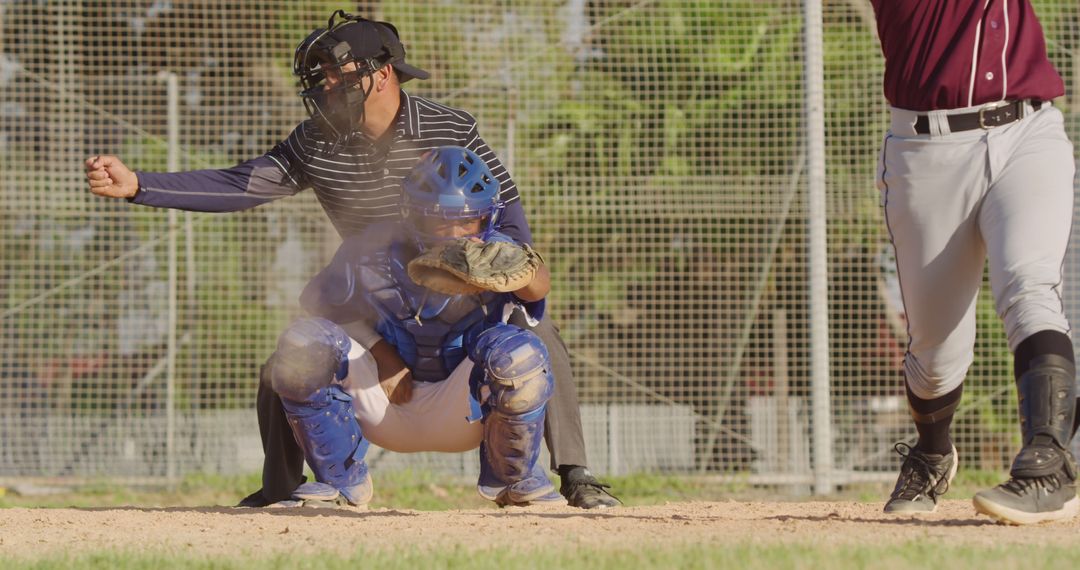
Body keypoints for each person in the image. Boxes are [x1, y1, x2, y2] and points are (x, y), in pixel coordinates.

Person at [83, 9, 618, 509]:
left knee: (538, 337)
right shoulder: (317, 141)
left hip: (460, 306)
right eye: (319, 78)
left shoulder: (451, 129)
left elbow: (511, 228)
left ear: (383, 74)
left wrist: (512, 277)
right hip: (374, 303)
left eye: (338, 75)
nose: (325, 87)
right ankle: (285, 488)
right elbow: (245, 184)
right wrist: (139, 186)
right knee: (290, 355)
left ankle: (572, 473)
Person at [871, 1, 1078, 524]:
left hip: (1026, 131)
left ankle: (1048, 463)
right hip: (925, 151)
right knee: (936, 357)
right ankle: (932, 452)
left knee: (1029, 287)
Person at [270, 146, 561, 508]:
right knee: (302, 344)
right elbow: (318, 302)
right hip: (383, 401)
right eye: (439, 220)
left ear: (488, 219)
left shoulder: (497, 251)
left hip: (465, 408)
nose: (455, 232)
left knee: (520, 354)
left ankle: (514, 480)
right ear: (412, 217)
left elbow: (538, 289)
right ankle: (339, 481)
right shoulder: (372, 249)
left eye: (468, 221)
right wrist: (382, 353)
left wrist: (524, 270)